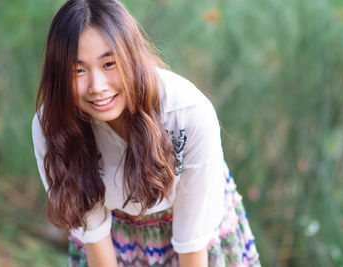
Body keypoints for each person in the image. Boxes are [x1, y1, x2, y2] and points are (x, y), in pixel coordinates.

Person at [32, 0, 261, 266]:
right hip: (113, 241)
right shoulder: (54, 128)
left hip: (198, 236)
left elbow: (192, 242)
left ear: (132, 56)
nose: (97, 86)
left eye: (109, 64)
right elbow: (94, 236)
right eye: (78, 70)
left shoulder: (188, 113)